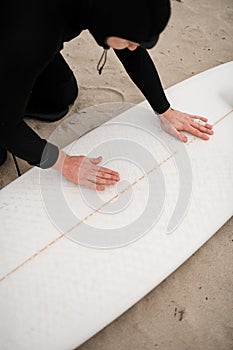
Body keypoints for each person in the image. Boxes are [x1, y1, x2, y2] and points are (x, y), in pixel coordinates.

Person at [0, 0, 213, 191]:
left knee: (60, 96)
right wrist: (65, 162)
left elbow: (131, 48)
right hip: (16, 32)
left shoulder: (105, 7)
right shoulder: (29, 39)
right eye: (130, 42)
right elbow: (6, 128)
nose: (132, 47)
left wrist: (164, 110)